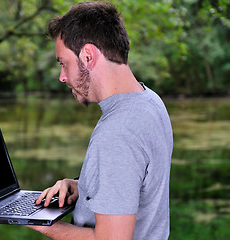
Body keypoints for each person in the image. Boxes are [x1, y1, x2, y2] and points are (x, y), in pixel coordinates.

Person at [27, 1, 173, 239]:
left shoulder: (118, 132)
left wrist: (39, 221)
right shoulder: (150, 102)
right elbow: (133, 183)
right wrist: (82, 187)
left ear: (87, 56)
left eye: (64, 63)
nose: (62, 77)